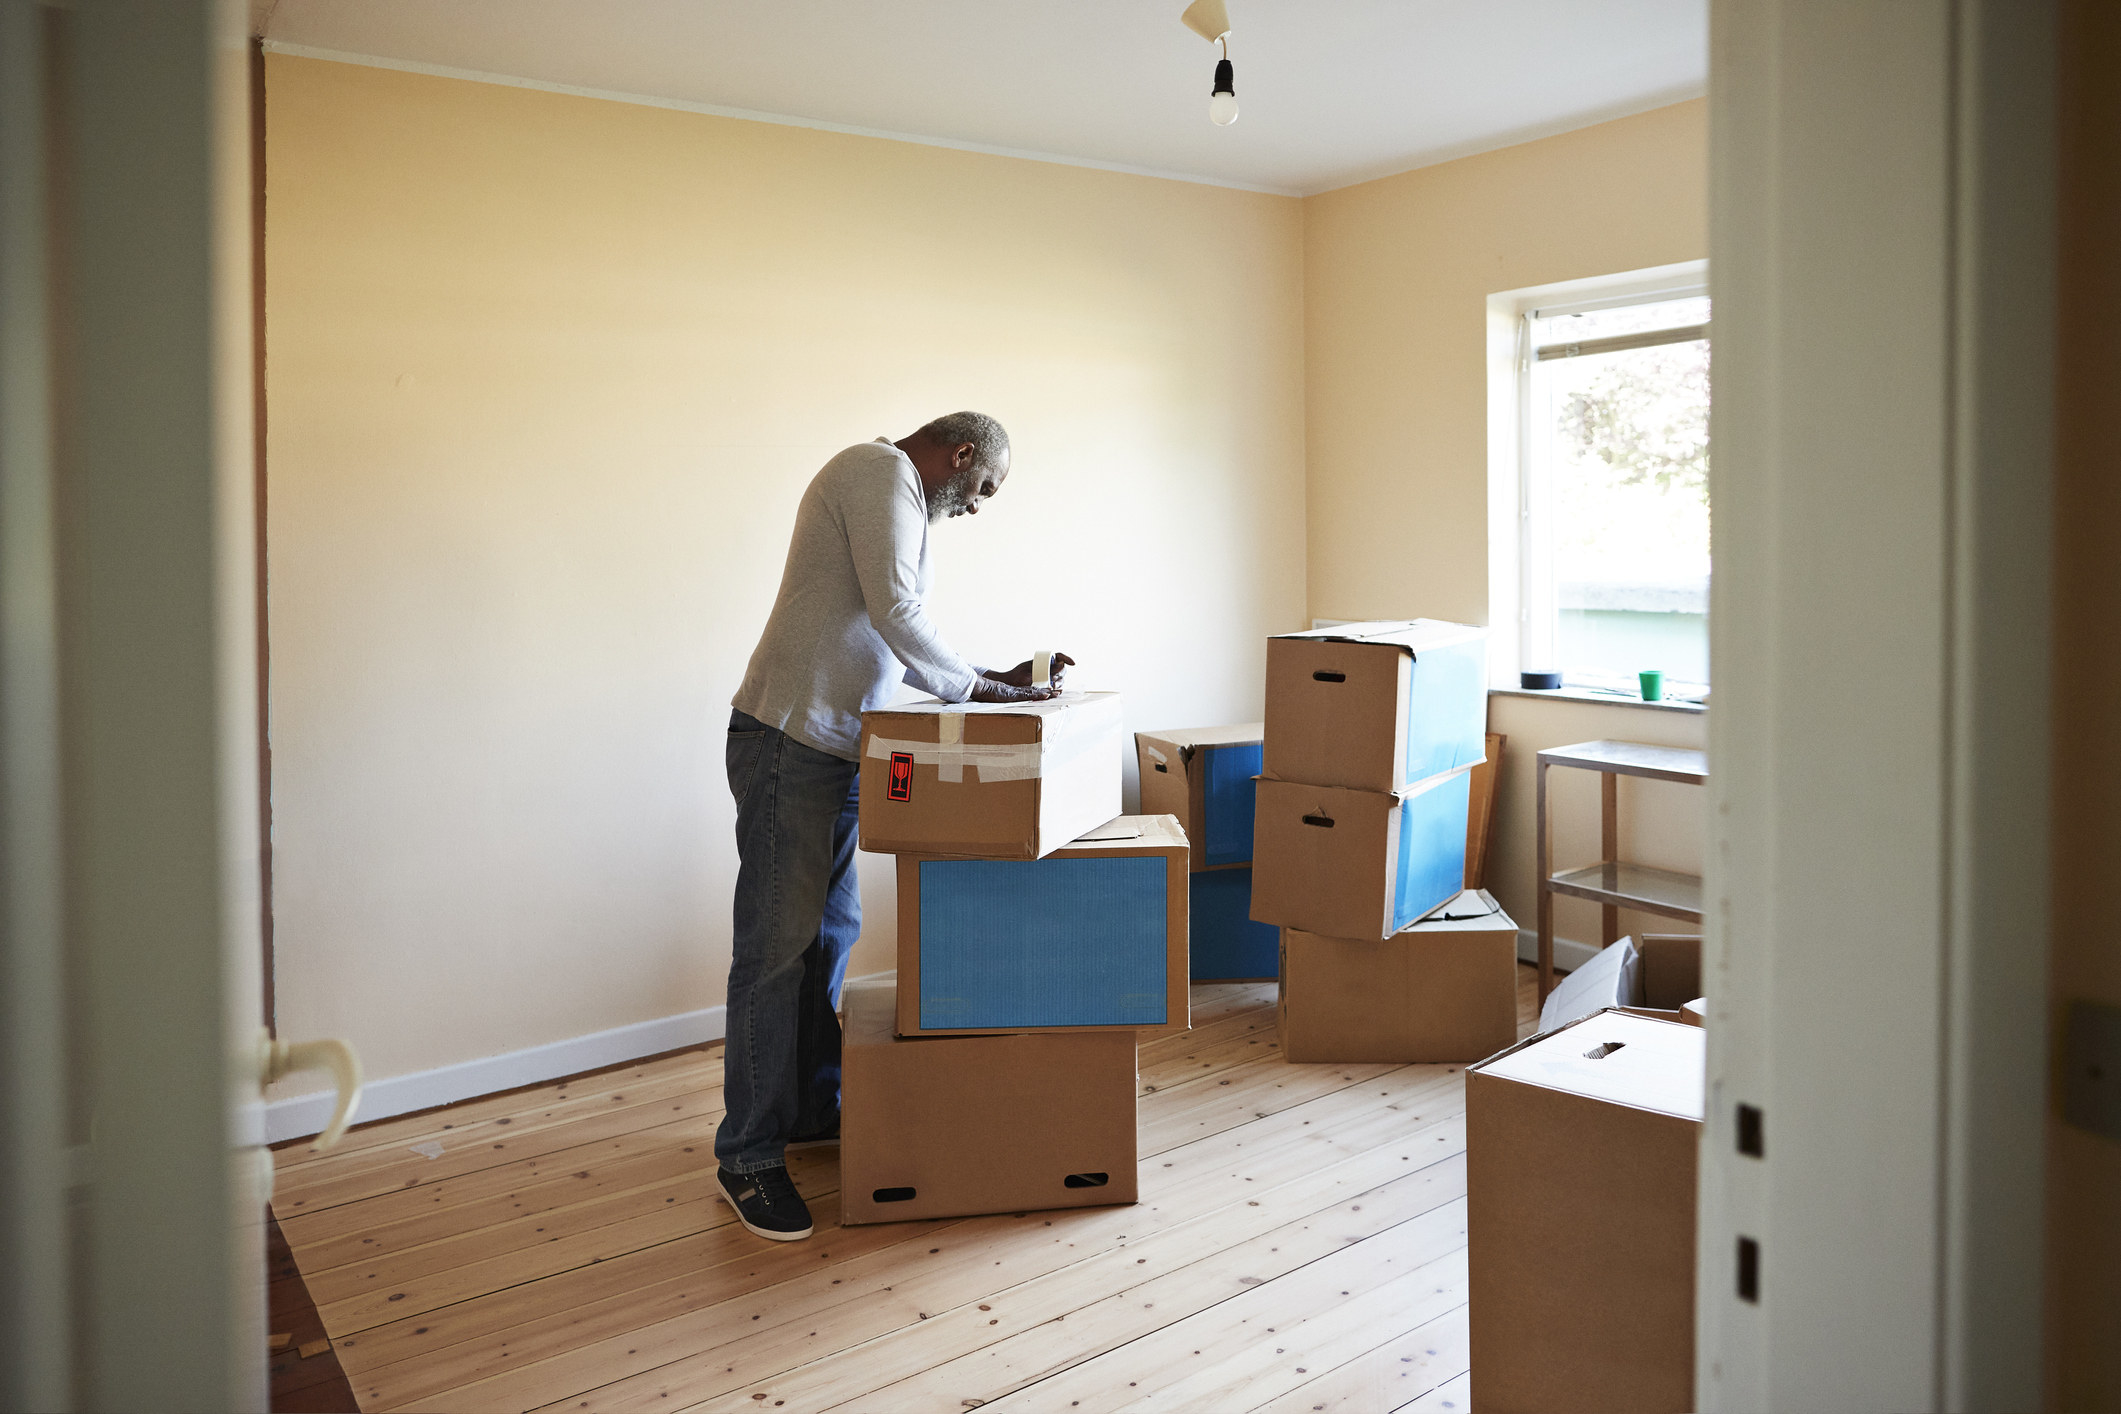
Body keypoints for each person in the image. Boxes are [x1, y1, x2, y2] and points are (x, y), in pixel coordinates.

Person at [717, 411, 1074, 1241]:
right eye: (984, 487)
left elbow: (887, 629)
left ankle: (809, 1111)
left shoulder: (899, 493)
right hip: (789, 742)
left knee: (828, 935)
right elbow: (897, 613)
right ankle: (747, 1157)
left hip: (838, 746)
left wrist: (987, 676)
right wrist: (982, 692)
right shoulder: (878, 472)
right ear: (960, 456)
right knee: (773, 952)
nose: (979, 506)